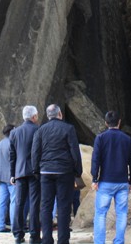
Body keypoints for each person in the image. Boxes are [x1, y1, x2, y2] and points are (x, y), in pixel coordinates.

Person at [32, 104, 82, 244]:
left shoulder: (41, 130)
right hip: (64, 171)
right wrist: (78, 171)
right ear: (60, 114)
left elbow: (35, 152)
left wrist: (36, 170)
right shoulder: (68, 128)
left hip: (46, 171)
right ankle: (63, 240)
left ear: (48, 116)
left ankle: (47, 239)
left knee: (46, 206)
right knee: (64, 206)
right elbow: (75, 151)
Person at [91, 111, 131, 244]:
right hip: (122, 183)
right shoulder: (127, 140)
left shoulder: (100, 138)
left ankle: (99, 242)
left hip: (105, 182)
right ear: (119, 122)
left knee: (100, 214)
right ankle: (119, 241)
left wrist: (95, 179)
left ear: (106, 123)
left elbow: (96, 160)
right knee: (122, 214)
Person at [10, 105, 41, 244]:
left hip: (19, 171)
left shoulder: (15, 132)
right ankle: (34, 236)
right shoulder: (38, 130)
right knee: (34, 203)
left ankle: (18, 234)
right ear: (34, 116)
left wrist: (12, 174)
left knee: (19, 203)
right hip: (35, 172)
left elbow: (12, 155)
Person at [0, 124, 16, 232]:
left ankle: (0, 226)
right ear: (12, 131)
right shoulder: (13, 143)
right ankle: (15, 226)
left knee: (1, 201)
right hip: (11, 176)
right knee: (14, 201)